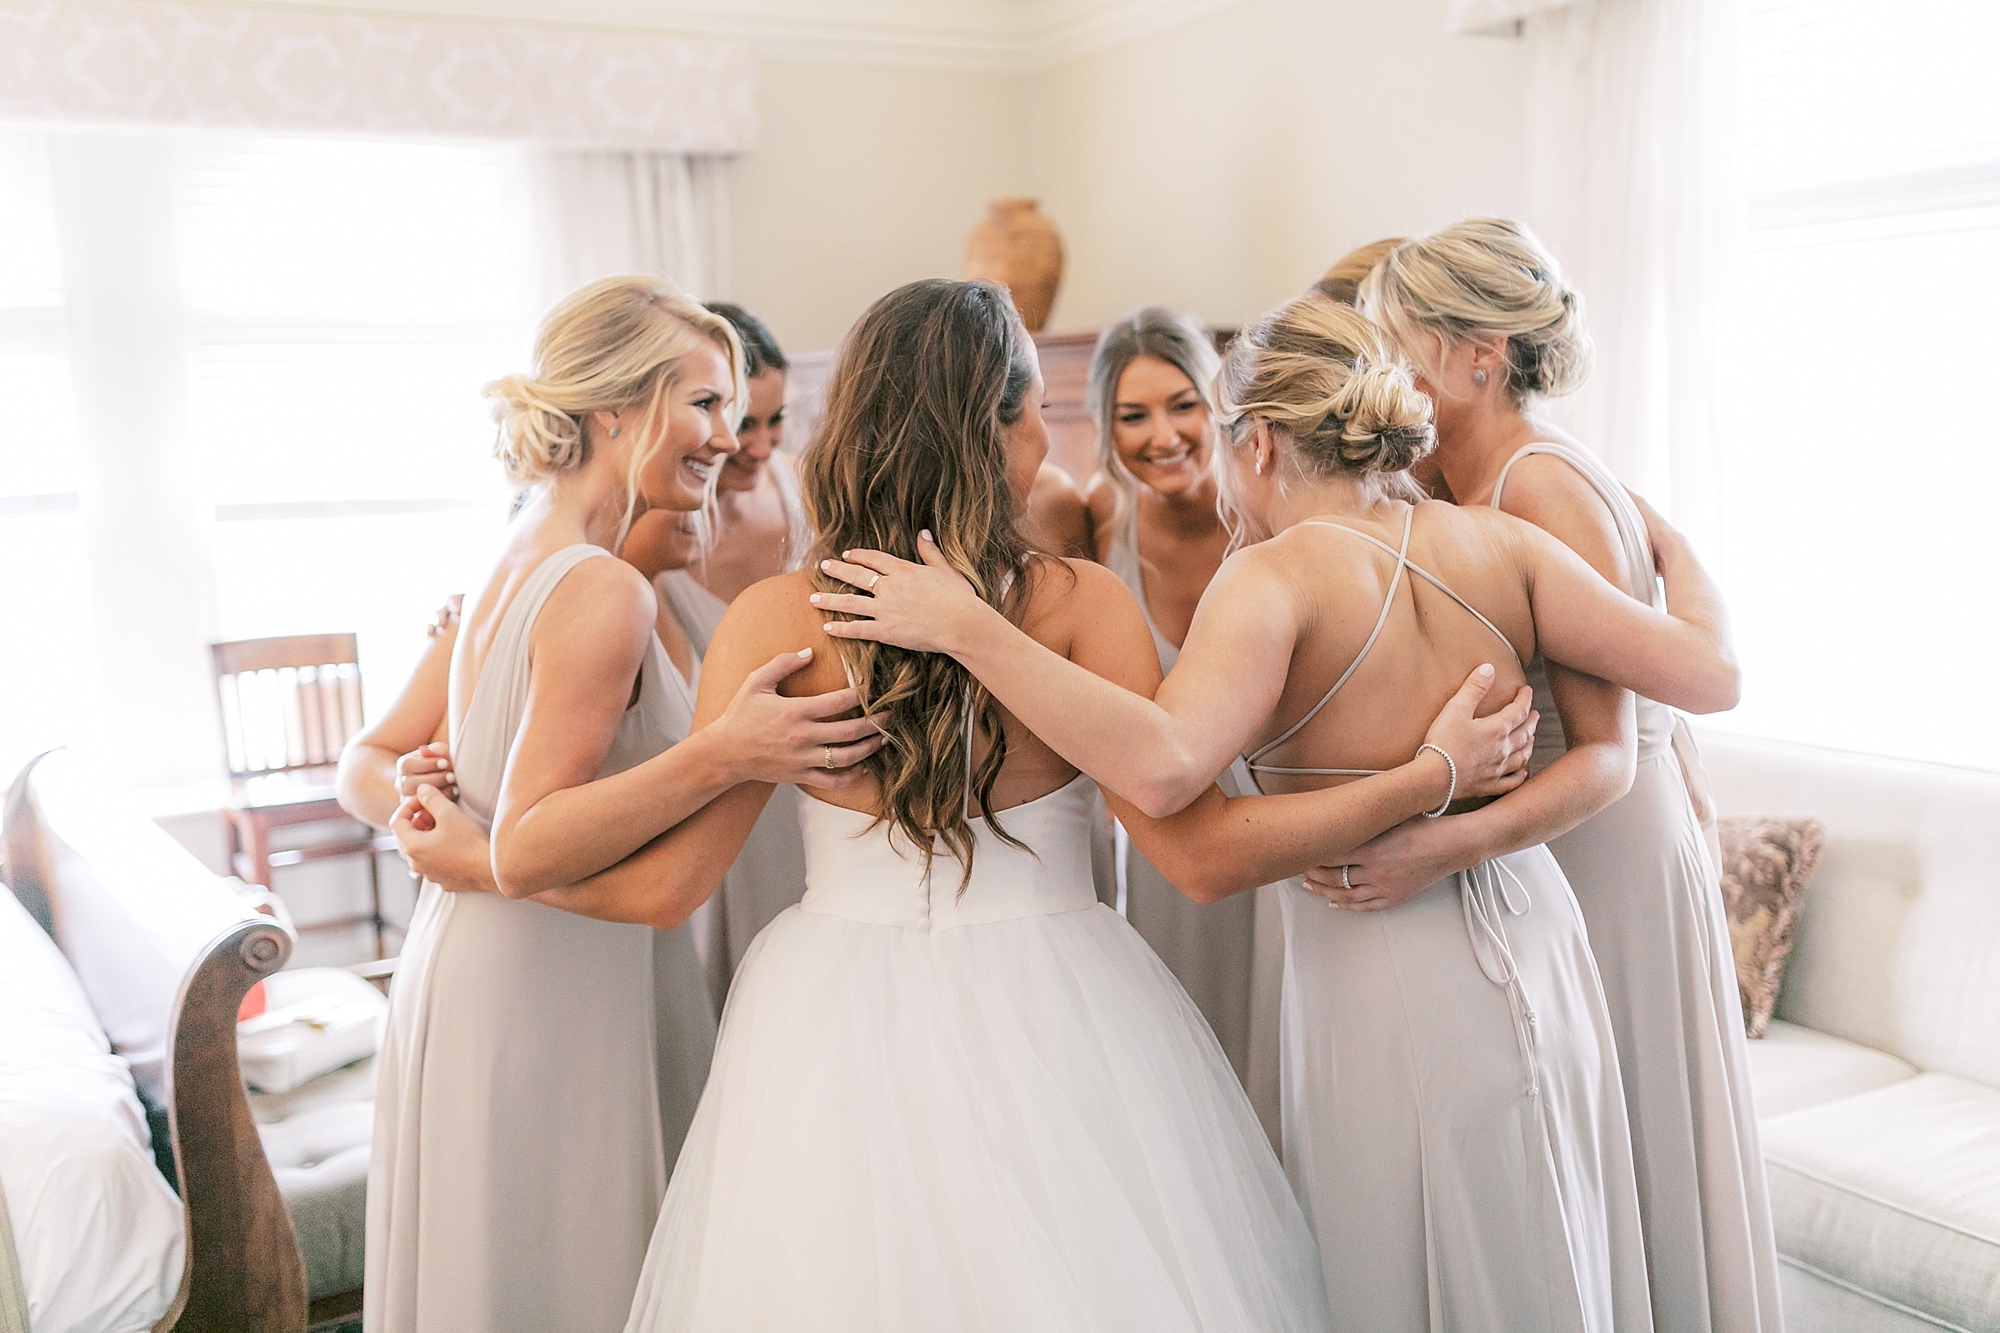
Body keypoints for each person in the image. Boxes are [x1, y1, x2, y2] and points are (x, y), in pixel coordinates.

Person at [481, 279, 1539, 1329]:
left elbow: (668, 889)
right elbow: (1203, 858)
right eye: (1033, 404)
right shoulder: (1081, 605)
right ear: (991, 431)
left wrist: (475, 863)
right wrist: (1424, 778)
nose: (1045, 432)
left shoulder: (771, 621)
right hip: (1063, 1002)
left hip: (823, 1024)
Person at [819, 292, 1745, 1329]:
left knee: (1392, 1259)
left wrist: (969, 629)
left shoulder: (1268, 581)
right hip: (1539, 932)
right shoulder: (1503, 547)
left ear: (1255, 441)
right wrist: (1673, 546)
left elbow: (1166, 770)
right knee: (1551, 1232)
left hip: (1376, 955)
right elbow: (1710, 677)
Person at [363, 276, 883, 1333]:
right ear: (614, 408)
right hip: (545, 983)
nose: (727, 437)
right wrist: (727, 751)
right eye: (704, 404)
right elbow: (526, 840)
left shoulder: (522, 552)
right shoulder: (600, 586)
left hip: (489, 961)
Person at [1354, 218, 1781, 1333]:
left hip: (1605, 852)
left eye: (1396, 343)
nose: (1378, 370)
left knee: (1631, 1140)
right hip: (1554, 850)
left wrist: (1437, 847)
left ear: (1478, 356)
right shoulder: (1456, 480)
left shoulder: (1537, 486)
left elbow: (1655, 713)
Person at [338, 510, 718, 1177]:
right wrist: (412, 793)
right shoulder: (520, 606)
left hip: (650, 951)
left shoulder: (692, 616)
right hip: (533, 952)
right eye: (684, 487)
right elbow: (360, 763)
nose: (701, 508)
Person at [1076, 306, 1282, 1136]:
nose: (1162, 435)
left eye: (1183, 404)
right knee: (1193, 1077)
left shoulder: (1274, 507)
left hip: (1286, 815)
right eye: (1133, 415)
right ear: (1107, 427)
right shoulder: (1097, 521)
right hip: (1175, 836)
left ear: (1218, 401)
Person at [654, 301, 814, 1000]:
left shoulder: (809, 491)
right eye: (746, 421)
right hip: (716, 801)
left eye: (776, 421)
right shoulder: (657, 532)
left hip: (820, 788)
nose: (761, 446)